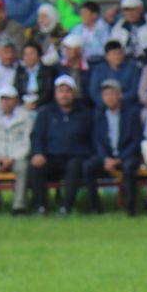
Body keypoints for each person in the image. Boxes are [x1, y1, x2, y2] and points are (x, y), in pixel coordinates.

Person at [28, 74, 94, 214]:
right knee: (36, 166)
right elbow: (37, 136)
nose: (64, 95)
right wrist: (38, 153)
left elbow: (91, 137)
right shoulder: (45, 112)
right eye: (61, 91)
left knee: (75, 166)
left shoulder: (84, 113)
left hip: (75, 156)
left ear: (74, 93)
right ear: (56, 94)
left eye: (68, 91)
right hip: (50, 156)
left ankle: (66, 206)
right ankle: (41, 206)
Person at [87, 77, 143, 214]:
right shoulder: (98, 115)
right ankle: (95, 207)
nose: (110, 98)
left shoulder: (131, 114)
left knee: (129, 167)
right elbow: (96, 140)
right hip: (106, 156)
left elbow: (136, 141)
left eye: (112, 94)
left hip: (126, 155)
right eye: (106, 95)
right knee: (88, 166)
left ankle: (130, 208)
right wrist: (105, 158)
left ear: (119, 95)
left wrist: (120, 159)